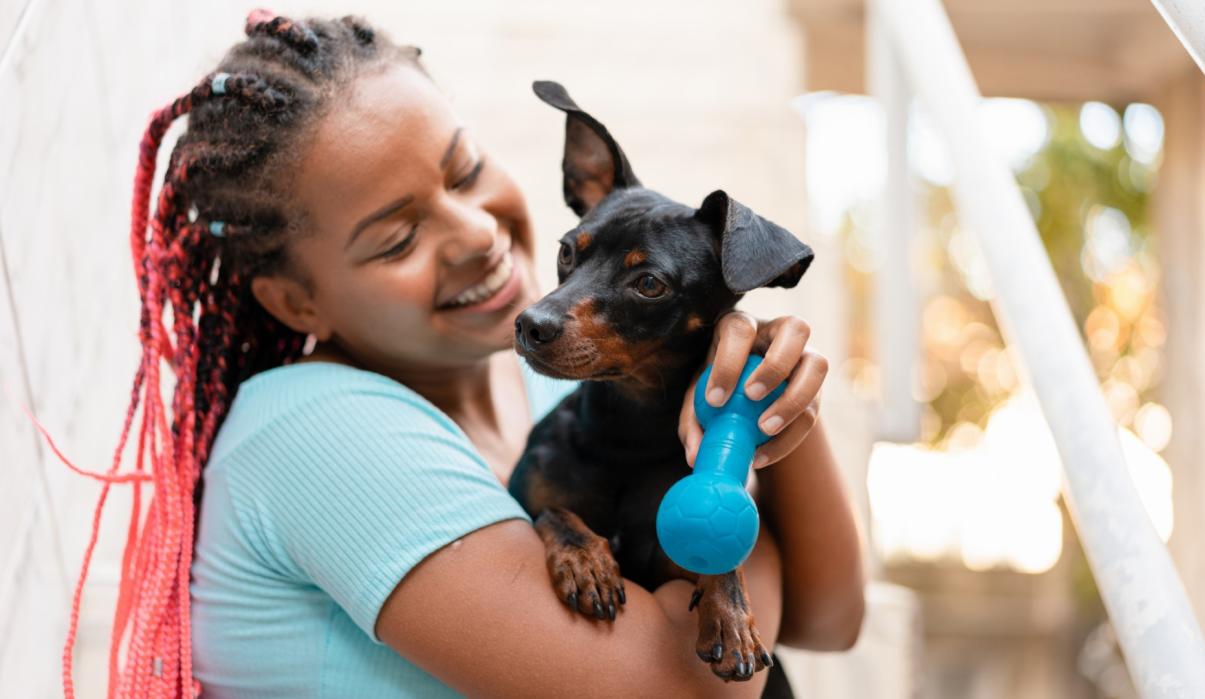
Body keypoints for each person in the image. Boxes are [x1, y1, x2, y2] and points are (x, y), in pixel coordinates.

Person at [64, 11, 864, 698]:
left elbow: (832, 619)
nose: (478, 232)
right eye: (399, 237)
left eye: (466, 169)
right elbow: (683, 690)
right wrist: (725, 509)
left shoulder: (556, 389)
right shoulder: (317, 434)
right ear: (296, 302)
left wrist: (757, 402)